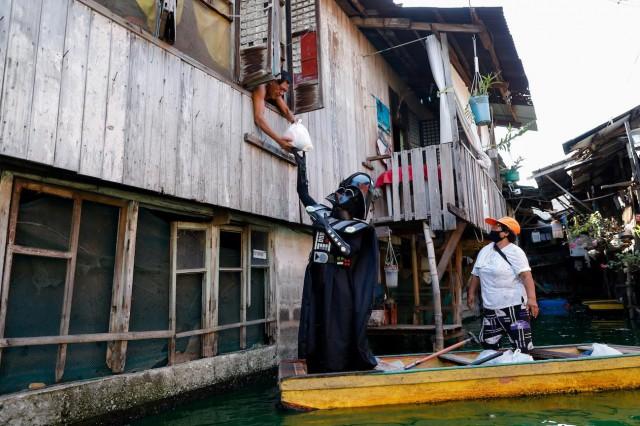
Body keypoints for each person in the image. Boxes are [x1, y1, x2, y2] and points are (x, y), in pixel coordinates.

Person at [294, 152, 378, 373]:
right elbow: (303, 194)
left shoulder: (361, 229)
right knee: (316, 321)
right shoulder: (324, 215)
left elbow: (348, 251)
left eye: (346, 193)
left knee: (338, 326)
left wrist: (327, 228)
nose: (340, 195)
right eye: (341, 191)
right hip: (319, 276)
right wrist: (301, 168)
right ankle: (316, 365)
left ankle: (338, 368)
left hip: (340, 280)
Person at [467, 216, 539, 353]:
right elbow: (476, 274)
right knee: (488, 345)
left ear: (506, 233)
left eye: (497, 226)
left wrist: (532, 299)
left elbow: (526, 276)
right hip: (490, 309)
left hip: (514, 308)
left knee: (522, 346)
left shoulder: (516, 252)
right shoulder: (485, 251)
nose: (492, 228)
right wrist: (471, 294)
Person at [251, 71, 296, 151]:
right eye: (281, 89)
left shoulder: (275, 92)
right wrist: (279, 141)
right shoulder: (261, 87)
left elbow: (286, 111)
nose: (281, 94)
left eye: (284, 91)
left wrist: (295, 122)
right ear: (272, 81)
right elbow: (258, 118)